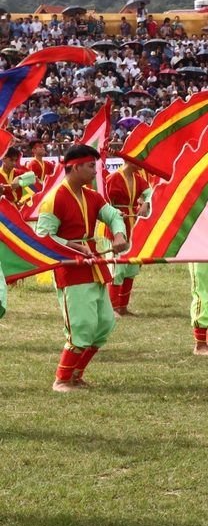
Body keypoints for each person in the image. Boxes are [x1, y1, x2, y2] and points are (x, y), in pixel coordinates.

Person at [36, 144, 128, 392]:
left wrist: (119, 234)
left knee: (104, 324)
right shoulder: (54, 199)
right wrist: (71, 245)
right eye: (90, 166)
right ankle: (61, 379)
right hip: (71, 269)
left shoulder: (92, 196)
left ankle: (76, 374)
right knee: (82, 326)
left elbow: (113, 216)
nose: (94, 172)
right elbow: (43, 237)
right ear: (75, 167)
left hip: (94, 267)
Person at [104, 157, 151, 317]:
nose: (143, 163)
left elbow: (150, 192)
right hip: (117, 227)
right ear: (129, 160)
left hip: (133, 226)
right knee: (118, 266)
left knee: (132, 265)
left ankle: (123, 306)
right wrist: (115, 213)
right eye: (139, 159)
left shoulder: (138, 179)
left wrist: (145, 203)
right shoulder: (113, 178)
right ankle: (112, 307)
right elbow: (104, 203)